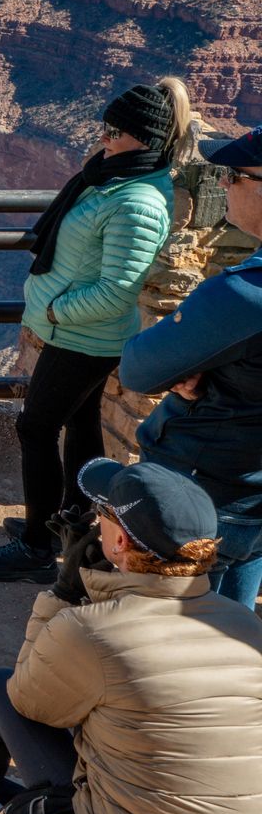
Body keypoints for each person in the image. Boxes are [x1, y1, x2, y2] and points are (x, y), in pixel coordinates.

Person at [0, 459, 262, 814]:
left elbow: (27, 698)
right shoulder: (245, 623)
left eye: (102, 513)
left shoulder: (87, 629)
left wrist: (64, 592)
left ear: (120, 541)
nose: (94, 521)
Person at [0, 79, 189, 584]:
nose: (103, 137)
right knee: (82, 420)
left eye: (114, 131)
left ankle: (35, 546)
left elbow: (117, 290)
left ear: (144, 138)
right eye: (104, 127)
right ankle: (73, 520)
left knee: (36, 427)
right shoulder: (113, 177)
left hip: (85, 336)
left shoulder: (138, 202)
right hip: (81, 332)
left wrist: (53, 315)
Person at [118, 124, 262, 607]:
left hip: (207, 491)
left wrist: (207, 374)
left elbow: (138, 369)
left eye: (234, 176)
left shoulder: (244, 295)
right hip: (254, 498)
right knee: (230, 635)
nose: (222, 184)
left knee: (170, 633)